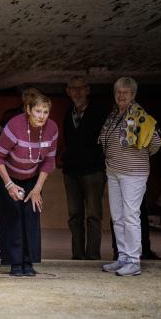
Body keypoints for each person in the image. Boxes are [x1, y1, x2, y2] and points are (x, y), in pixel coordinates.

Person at [98, 77, 161, 276]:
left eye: (125, 92)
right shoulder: (113, 115)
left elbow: (156, 142)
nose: (121, 95)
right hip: (113, 171)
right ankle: (123, 257)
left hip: (133, 173)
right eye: (118, 92)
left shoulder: (141, 116)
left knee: (130, 215)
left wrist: (137, 156)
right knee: (117, 216)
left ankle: (134, 261)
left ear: (133, 95)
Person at [0, 93, 59, 276]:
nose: (41, 116)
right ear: (28, 110)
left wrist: (37, 189)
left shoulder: (52, 129)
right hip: (8, 174)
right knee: (13, 216)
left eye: (45, 112)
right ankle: (15, 264)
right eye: (37, 111)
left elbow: (49, 162)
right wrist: (9, 185)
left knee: (31, 213)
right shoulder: (15, 125)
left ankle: (28, 262)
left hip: (32, 177)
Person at [0, 86, 42, 262]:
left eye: (33, 95)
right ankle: (7, 256)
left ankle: (31, 258)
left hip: (31, 173)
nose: (29, 98)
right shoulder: (9, 116)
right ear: (22, 98)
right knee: (8, 215)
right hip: (4, 171)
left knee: (30, 214)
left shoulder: (42, 118)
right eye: (27, 95)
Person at [61, 76, 107, 260]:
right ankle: (77, 256)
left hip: (93, 172)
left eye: (81, 88)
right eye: (73, 88)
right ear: (68, 92)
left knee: (94, 216)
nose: (77, 92)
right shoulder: (67, 114)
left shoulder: (99, 112)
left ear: (88, 90)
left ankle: (92, 256)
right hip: (71, 172)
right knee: (74, 216)